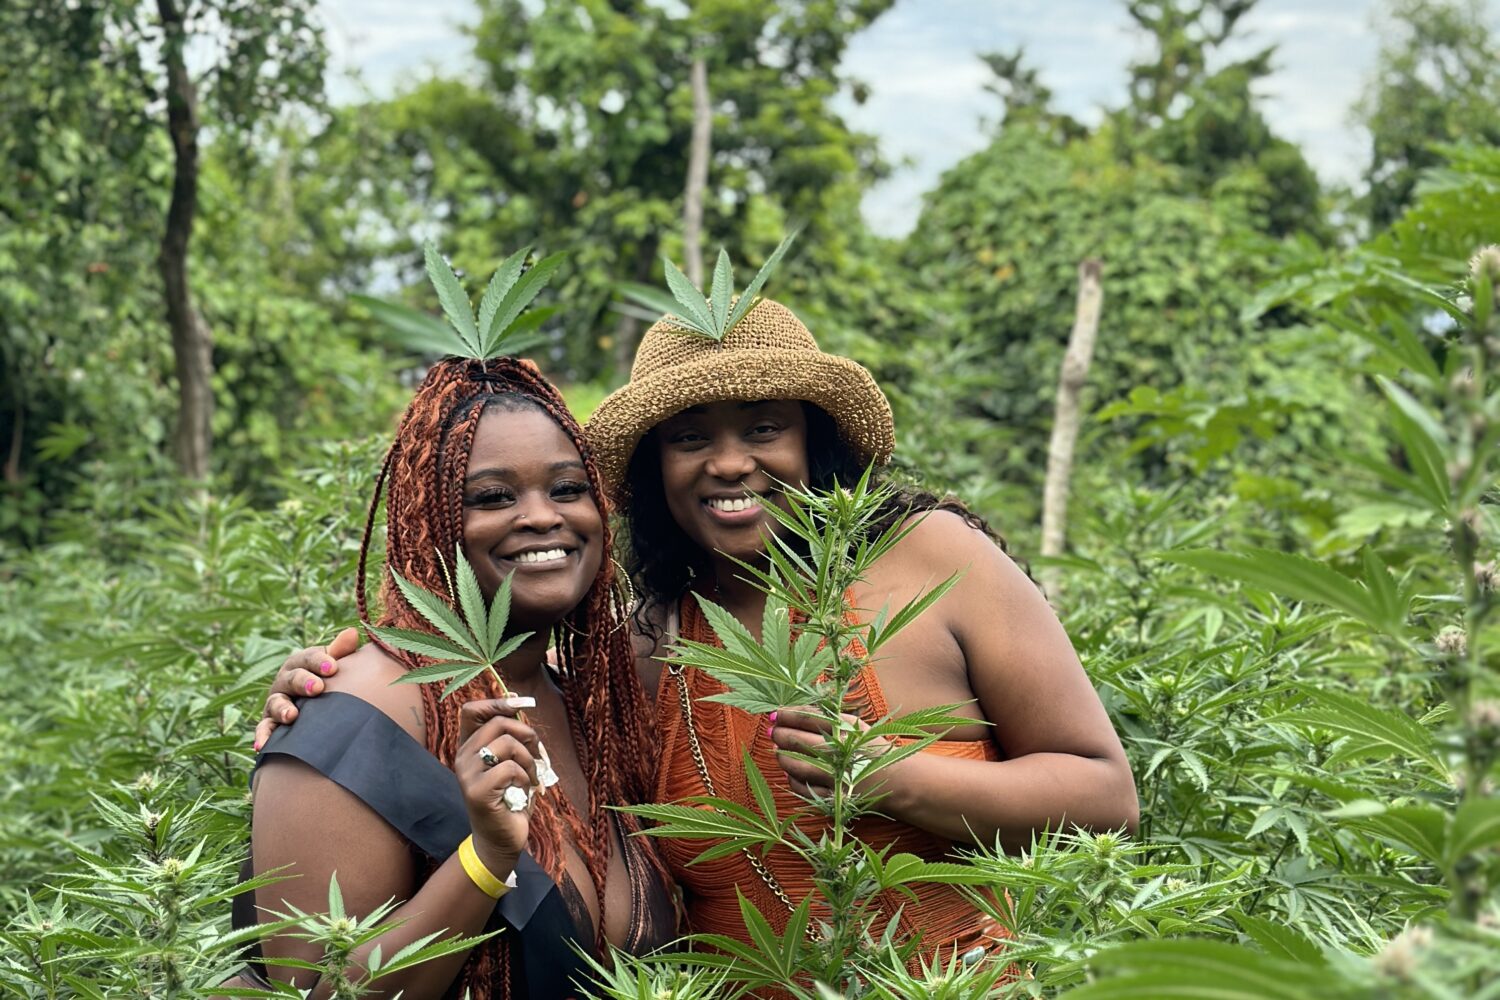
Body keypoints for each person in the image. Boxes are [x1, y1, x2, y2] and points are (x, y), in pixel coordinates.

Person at [259, 298, 1138, 971]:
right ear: (651, 470)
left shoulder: (934, 558)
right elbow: (490, 656)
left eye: (764, 427)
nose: (729, 463)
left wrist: (890, 779)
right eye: (690, 438)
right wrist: (348, 687)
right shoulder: (641, 647)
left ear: (814, 441)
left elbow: (1106, 795)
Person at [239, 356, 674, 1000]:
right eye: (494, 497)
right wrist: (485, 859)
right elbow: (317, 991)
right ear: (428, 522)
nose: (542, 517)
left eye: (567, 488)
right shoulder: (347, 716)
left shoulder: (597, 705)